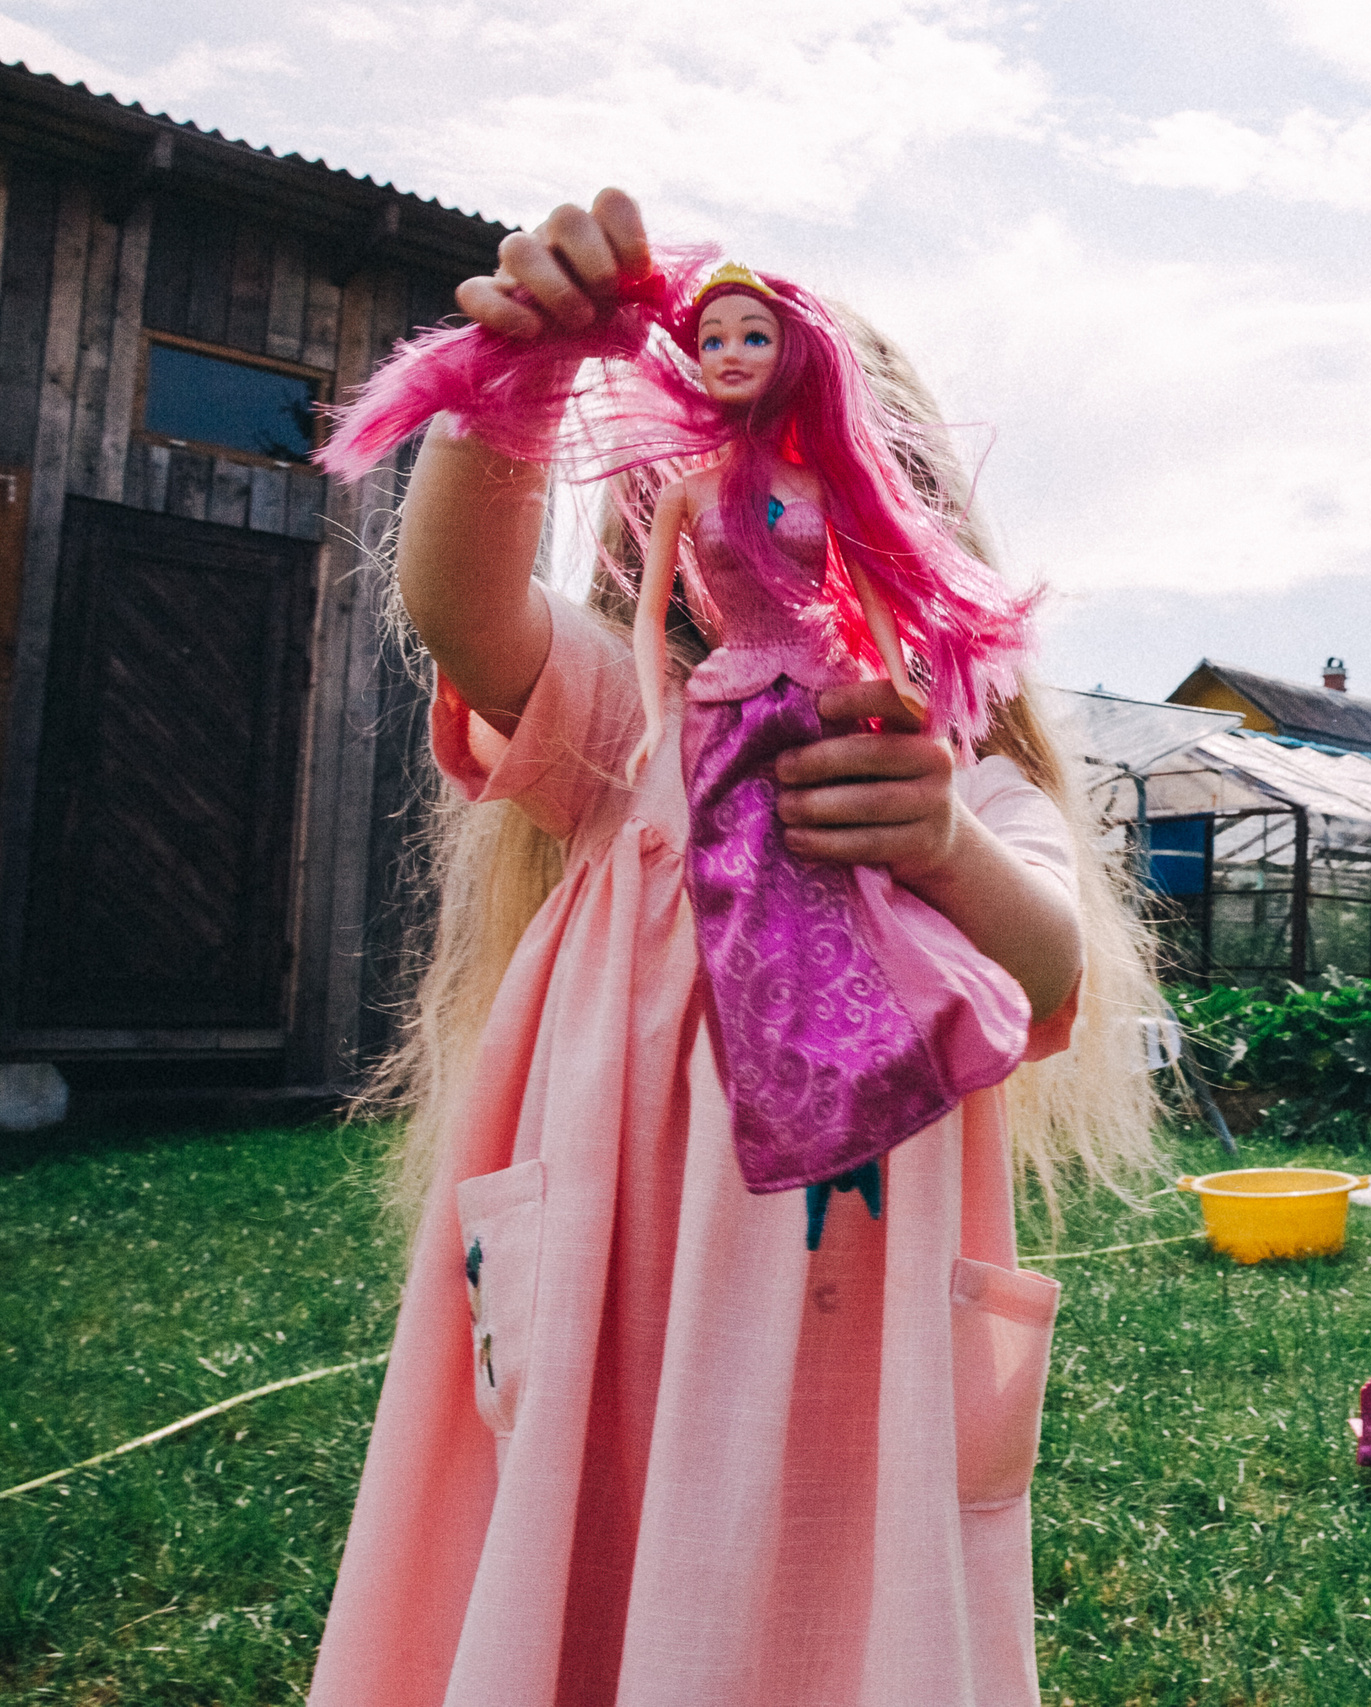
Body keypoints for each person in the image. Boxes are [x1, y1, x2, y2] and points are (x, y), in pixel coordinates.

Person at [308, 189, 1159, 1707]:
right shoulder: (639, 733)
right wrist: (515, 379)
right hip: (606, 1321)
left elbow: (1053, 973)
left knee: (833, 1615)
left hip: (851, 1353)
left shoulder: (951, 773)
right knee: (582, 1576)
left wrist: (942, 843)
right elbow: (463, 606)